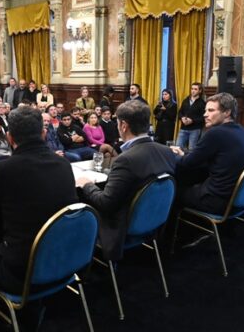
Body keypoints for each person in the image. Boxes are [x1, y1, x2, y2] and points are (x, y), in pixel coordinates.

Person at [0, 106, 78, 311]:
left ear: (9, 138)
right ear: (44, 134)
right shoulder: (63, 165)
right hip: (65, 258)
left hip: (22, 272)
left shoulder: (1, 170)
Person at [76, 100, 177, 261]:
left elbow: (106, 204)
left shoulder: (126, 160)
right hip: (153, 221)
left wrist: (87, 184)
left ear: (123, 126)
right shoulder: (167, 152)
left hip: (121, 227)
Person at [172, 93, 244, 215]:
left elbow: (188, 163)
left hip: (217, 201)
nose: (205, 114)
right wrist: (184, 154)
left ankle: (173, 233)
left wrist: (174, 155)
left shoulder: (216, 133)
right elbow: (208, 154)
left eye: (211, 110)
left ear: (227, 112)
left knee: (172, 191)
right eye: (205, 110)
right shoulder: (243, 130)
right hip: (240, 200)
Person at [176, 82, 205, 151]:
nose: (193, 91)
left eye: (195, 89)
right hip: (183, 128)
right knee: (177, 148)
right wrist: (182, 118)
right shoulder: (185, 100)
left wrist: (192, 120)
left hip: (195, 130)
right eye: (192, 89)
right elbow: (180, 112)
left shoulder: (202, 103)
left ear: (200, 91)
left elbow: (203, 118)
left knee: (192, 150)